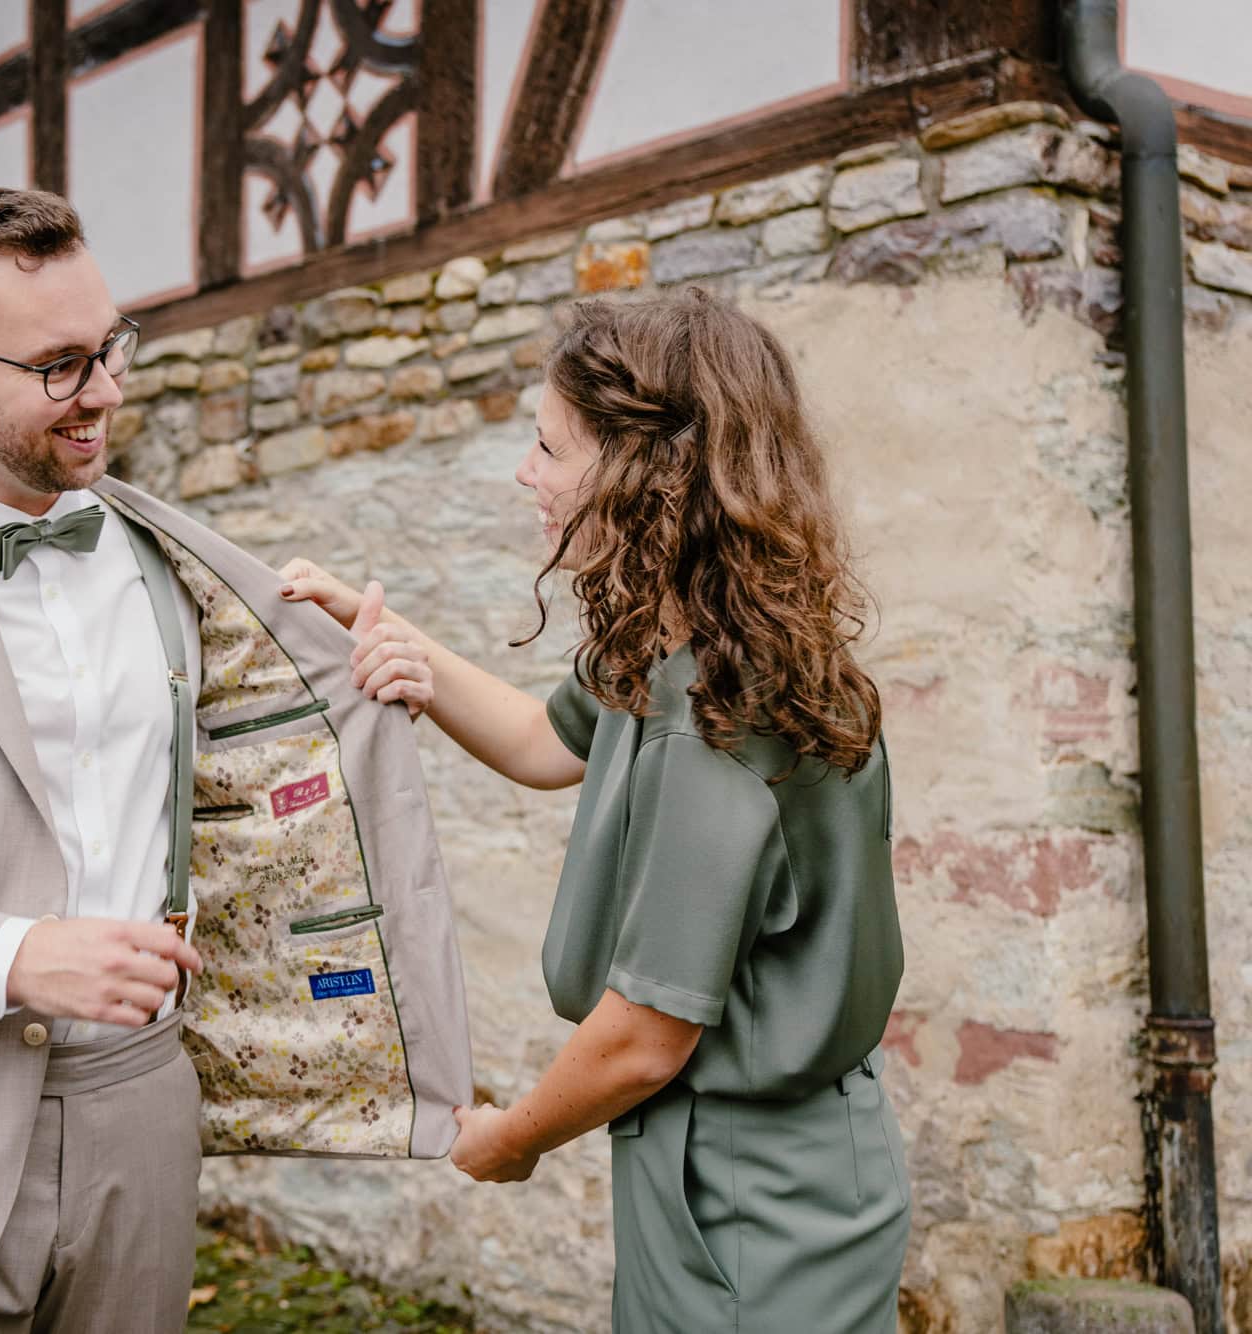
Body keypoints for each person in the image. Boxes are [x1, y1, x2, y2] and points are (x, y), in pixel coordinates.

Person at [0, 186, 472, 1334]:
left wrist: (394, 679)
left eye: (110, 344)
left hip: (138, 1124)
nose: (105, 389)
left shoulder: (180, 562)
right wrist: (10, 957)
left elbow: (281, 754)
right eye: (59, 364)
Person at [279, 289, 910, 1332]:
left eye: (546, 447)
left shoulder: (715, 715)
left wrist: (511, 1136)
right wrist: (386, 638)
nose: (525, 473)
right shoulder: (684, 645)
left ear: (645, 472)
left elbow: (640, 1038)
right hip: (760, 1166)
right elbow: (541, 739)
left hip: (751, 1198)